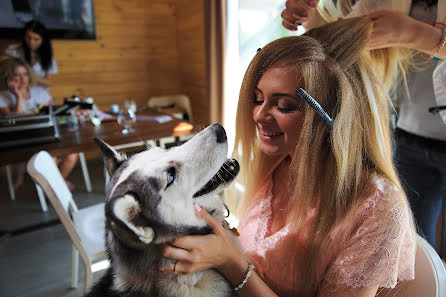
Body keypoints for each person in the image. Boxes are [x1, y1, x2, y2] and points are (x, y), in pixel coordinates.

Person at [158, 18, 416, 297]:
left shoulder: (376, 206)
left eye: (283, 105)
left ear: (337, 118)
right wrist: (223, 242)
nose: (258, 115)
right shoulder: (278, 164)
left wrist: (231, 261)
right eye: (258, 99)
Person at [281, 0, 446, 249]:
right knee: (414, 246)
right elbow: (336, 39)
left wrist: (414, 33)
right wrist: (313, 13)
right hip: (407, 131)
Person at [0, 56, 77, 191]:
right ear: (9, 77)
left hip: (45, 136)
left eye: (25, 74)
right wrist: (18, 95)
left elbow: (50, 115)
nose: (23, 79)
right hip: (23, 139)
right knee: (50, 158)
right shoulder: (3, 96)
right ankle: (57, 191)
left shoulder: (38, 92)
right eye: (17, 75)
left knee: (71, 154)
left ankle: (56, 189)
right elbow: (14, 122)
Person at [5, 20, 58, 89]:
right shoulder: (13, 51)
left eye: (36, 39)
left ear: (43, 40)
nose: (31, 42)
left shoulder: (47, 55)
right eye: (28, 37)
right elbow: (6, 75)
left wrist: (29, 77)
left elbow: (49, 82)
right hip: (17, 90)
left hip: (39, 93)